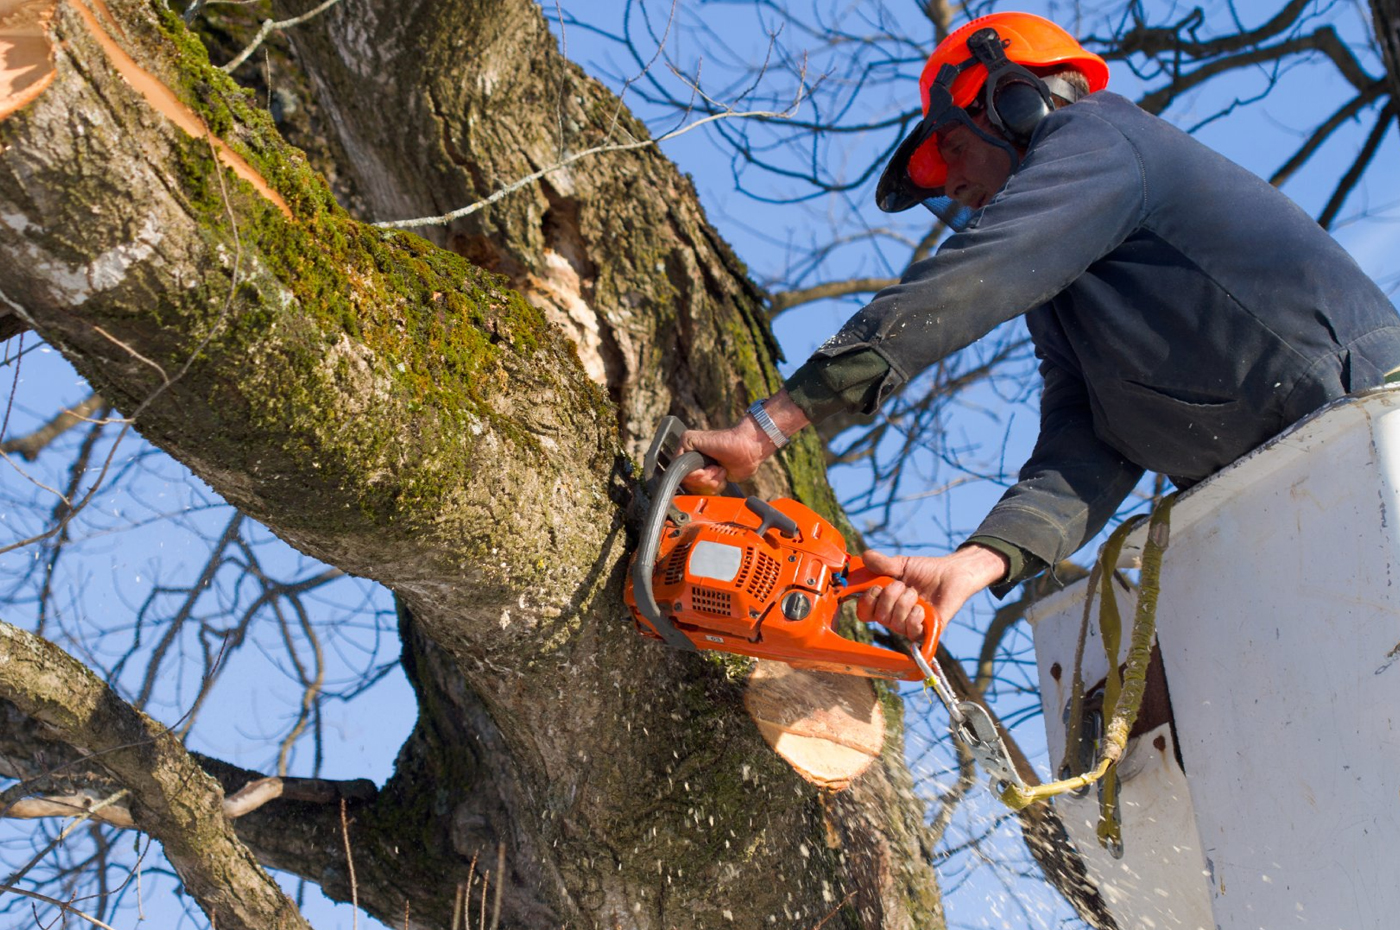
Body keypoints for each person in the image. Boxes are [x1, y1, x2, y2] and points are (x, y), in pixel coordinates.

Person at [682, 11, 1400, 641]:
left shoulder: (1103, 138)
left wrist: (769, 425)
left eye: (954, 150)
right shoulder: (1067, 300)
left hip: (1367, 420)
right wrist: (977, 561)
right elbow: (1087, 445)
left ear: (1014, 101)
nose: (953, 186)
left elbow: (973, 278)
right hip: (1292, 495)